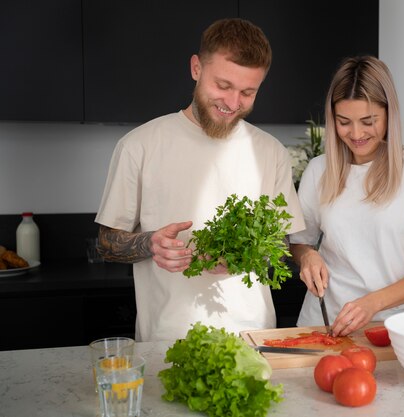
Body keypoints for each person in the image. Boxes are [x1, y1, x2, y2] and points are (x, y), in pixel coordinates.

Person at [95, 18, 305, 342]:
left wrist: (242, 257)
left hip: (253, 337)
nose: (233, 103)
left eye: (248, 92)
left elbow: (280, 245)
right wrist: (150, 243)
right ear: (196, 68)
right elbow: (107, 243)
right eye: (223, 86)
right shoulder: (139, 145)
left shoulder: (271, 152)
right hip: (166, 339)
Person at [290, 56, 404, 336]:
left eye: (369, 121)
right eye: (344, 122)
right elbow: (299, 243)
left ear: (389, 115)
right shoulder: (318, 169)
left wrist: (371, 304)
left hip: (393, 328)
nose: (356, 133)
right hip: (323, 324)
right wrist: (307, 256)